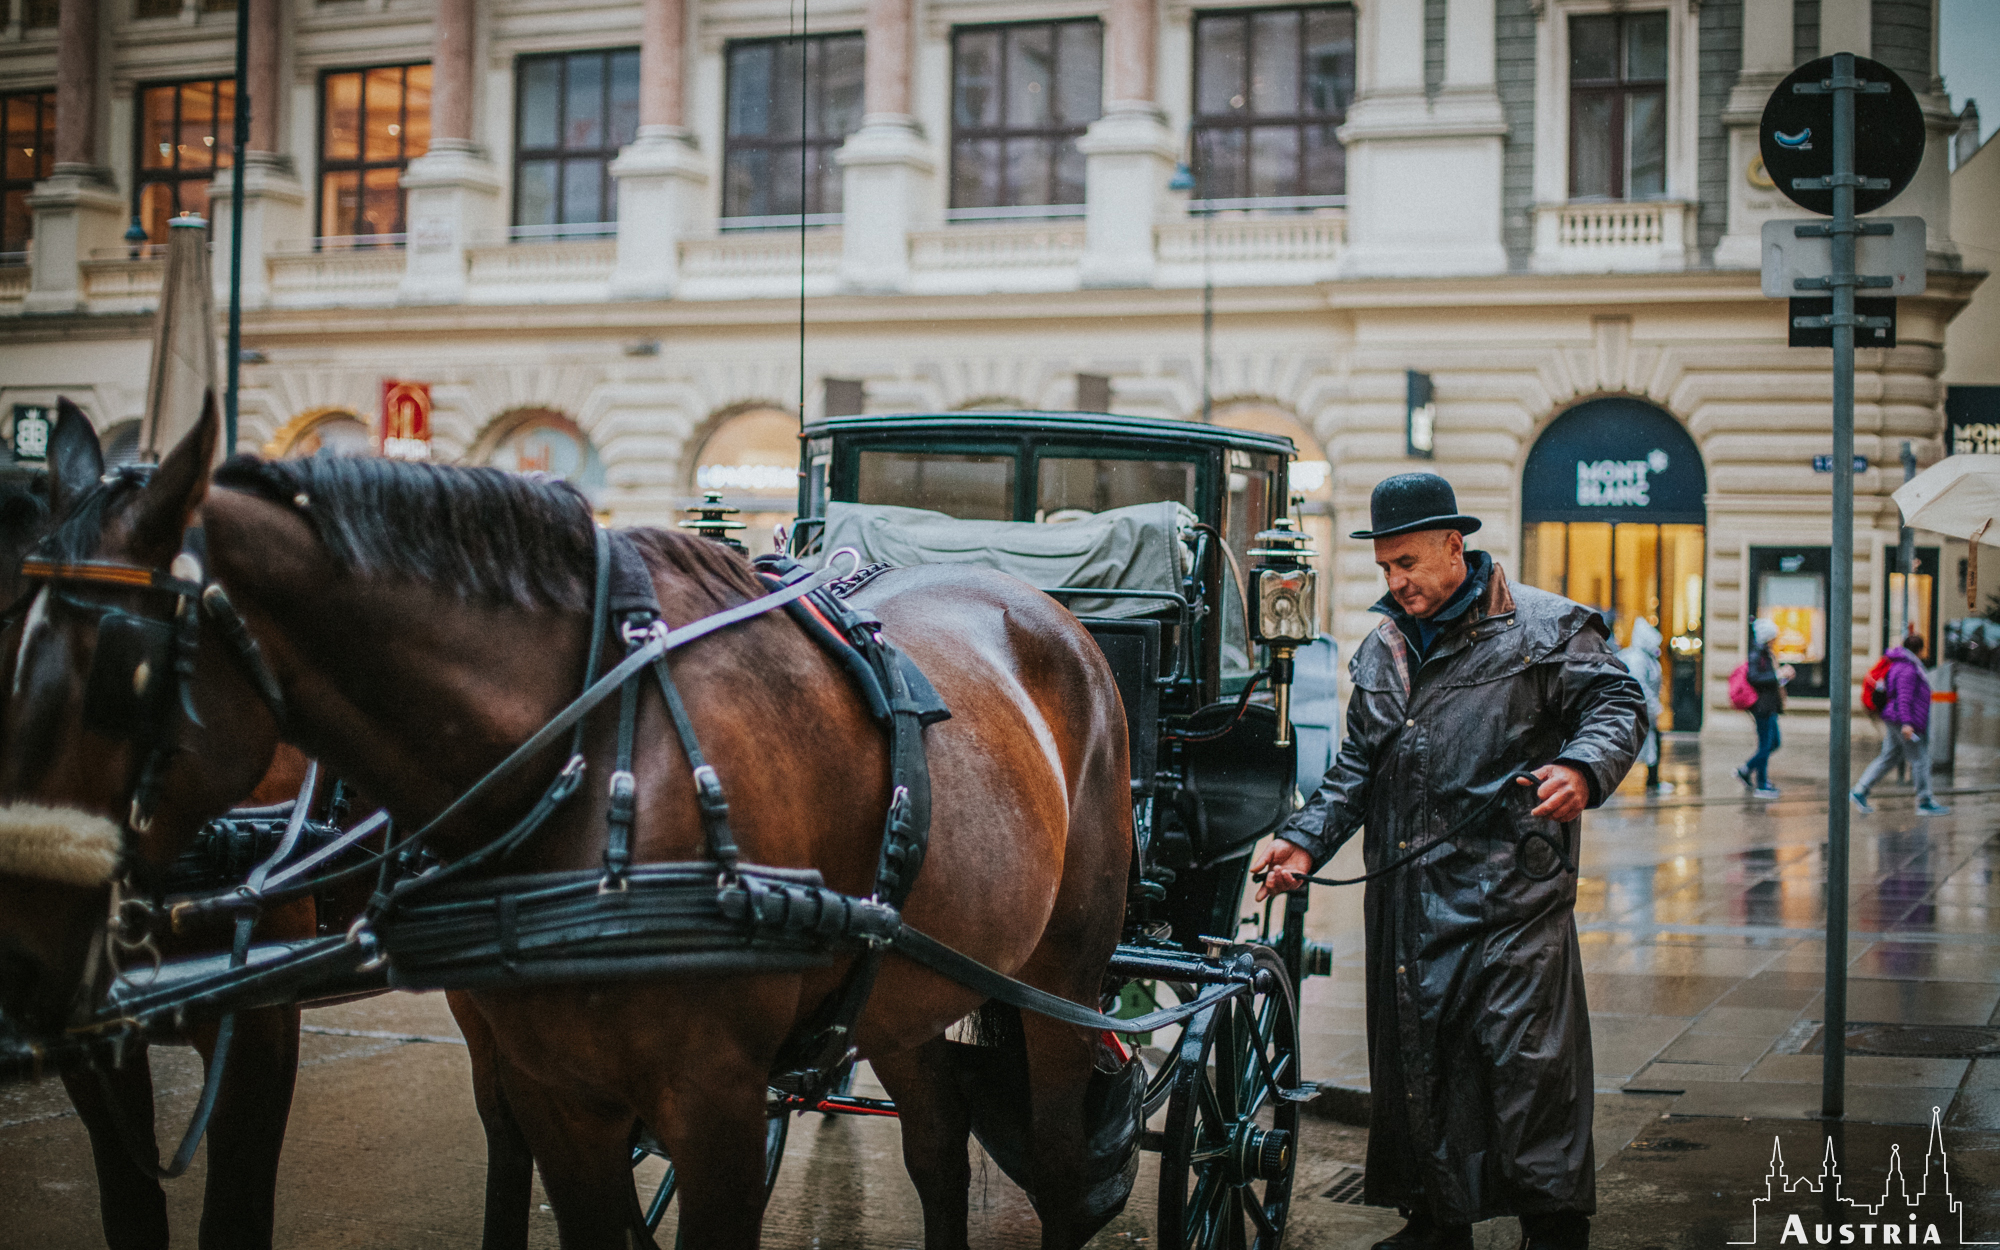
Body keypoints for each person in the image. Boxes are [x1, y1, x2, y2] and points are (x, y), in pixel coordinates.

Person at [1252, 472, 1646, 1250]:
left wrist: (1583, 767)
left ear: (1452, 547)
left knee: (1527, 1070)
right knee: (1420, 1066)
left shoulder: (1547, 626)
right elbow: (1356, 769)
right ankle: (1436, 1224)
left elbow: (1617, 704)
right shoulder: (1382, 648)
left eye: (1407, 564)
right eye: (1385, 569)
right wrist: (1305, 839)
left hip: (1512, 897)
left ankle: (1555, 1230)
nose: (1396, 583)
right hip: (1410, 899)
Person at [1851, 632, 1949, 815]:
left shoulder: (1899, 664)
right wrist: (1907, 724)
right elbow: (1903, 699)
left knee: (1889, 757)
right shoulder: (1908, 669)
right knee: (1920, 760)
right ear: (1919, 650)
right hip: (1902, 721)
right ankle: (1924, 801)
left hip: (1895, 719)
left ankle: (1860, 790)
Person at [1736, 618, 1792, 798]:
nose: (1775, 640)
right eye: (1773, 637)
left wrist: (1782, 677)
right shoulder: (1757, 655)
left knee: (1773, 743)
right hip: (1762, 707)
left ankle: (1748, 772)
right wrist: (1778, 674)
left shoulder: (1766, 654)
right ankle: (1759, 783)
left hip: (1769, 706)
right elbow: (1755, 678)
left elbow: (1769, 679)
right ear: (1767, 638)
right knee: (1766, 745)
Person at [1618, 618, 1665, 790]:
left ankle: (1653, 780)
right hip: (1634, 712)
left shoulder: (1645, 657)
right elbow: (1641, 687)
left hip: (1639, 712)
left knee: (1653, 744)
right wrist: (1652, 708)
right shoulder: (1638, 659)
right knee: (1625, 746)